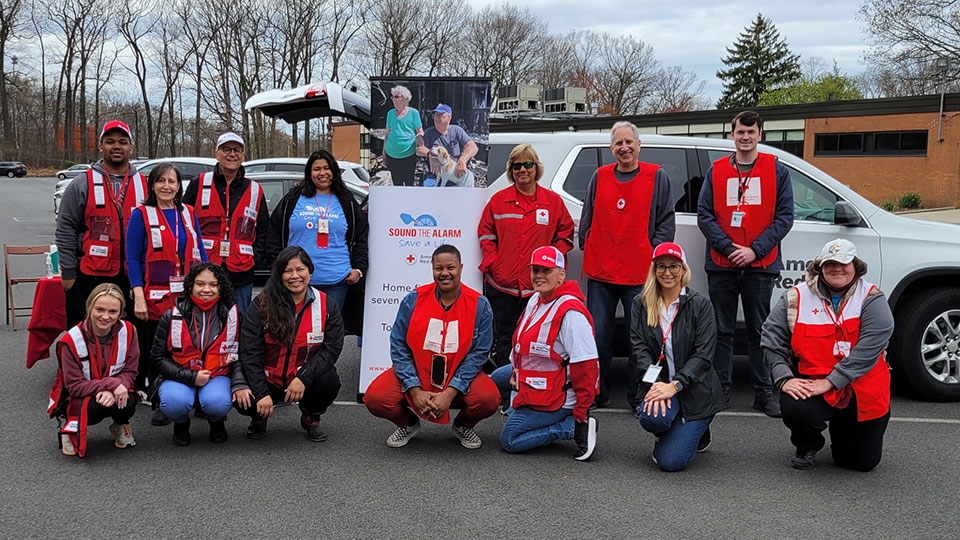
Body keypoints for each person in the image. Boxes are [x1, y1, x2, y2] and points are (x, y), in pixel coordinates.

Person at [762, 239, 894, 471]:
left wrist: (832, 381)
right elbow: (771, 339)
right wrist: (784, 378)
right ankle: (808, 443)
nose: (837, 268)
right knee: (795, 404)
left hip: (860, 389)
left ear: (856, 266)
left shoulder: (872, 298)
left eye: (844, 263)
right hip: (813, 384)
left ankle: (843, 429)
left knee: (860, 463)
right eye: (830, 263)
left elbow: (870, 348)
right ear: (820, 267)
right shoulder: (795, 297)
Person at [697, 110, 794, 418]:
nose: (746, 137)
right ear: (732, 134)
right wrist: (728, 249)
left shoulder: (777, 171)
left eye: (751, 132)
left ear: (760, 134)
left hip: (760, 264)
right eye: (740, 132)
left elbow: (784, 218)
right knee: (721, 331)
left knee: (760, 330)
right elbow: (704, 216)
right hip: (721, 264)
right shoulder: (716, 171)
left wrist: (754, 251)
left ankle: (764, 393)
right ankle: (721, 391)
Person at [579, 120, 675, 409]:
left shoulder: (657, 177)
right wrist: (587, 242)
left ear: (638, 145)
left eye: (629, 142)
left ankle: (638, 395)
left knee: (640, 340)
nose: (624, 147)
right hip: (601, 272)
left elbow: (666, 221)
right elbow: (587, 216)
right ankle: (598, 393)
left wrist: (653, 255)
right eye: (618, 143)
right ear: (611, 148)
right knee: (598, 337)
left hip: (639, 274)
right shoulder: (599, 176)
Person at [364, 244, 500, 449]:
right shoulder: (413, 300)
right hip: (418, 372)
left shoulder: (480, 305)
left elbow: (479, 354)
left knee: (489, 398)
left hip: (458, 374)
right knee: (375, 397)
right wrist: (414, 389)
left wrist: (451, 392)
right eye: (439, 268)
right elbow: (398, 345)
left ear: (461, 268)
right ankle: (408, 423)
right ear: (432, 269)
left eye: (451, 267)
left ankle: (463, 425)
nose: (445, 273)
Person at [478, 143, 574, 372]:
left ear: (536, 168)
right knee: (505, 340)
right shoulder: (498, 201)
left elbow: (566, 235)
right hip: (503, 287)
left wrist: (552, 264)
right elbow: (486, 234)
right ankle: (508, 385)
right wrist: (494, 262)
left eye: (528, 164)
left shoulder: (552, 202)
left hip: (538, 289)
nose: (523, 169)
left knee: (537, 339)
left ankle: (532, 384)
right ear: (511, 170)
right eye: (517, 165)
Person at [496, 246, 599, 460]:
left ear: (561, 274)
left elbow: (587, 369)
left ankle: (572, 427)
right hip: (534, 378)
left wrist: (581, 410)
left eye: (547, 270)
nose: (539, 276)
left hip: (557, 395)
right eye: (535, 270)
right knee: (496, 379)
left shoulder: (571, 314)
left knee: (510, 439)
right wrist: (515, 371)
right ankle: (520, 407)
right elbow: (521, 344)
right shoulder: (536, 299)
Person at [630, 242, 725, 471]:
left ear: (683, 270)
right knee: (651, 418)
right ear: (654, 270)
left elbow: (704, 355)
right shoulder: (641, 303)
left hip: (695, 390)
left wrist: (675, 385)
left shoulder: (700, 305)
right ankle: (669, 427)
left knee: (670, 462)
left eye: (674, 266)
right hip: (661, 383)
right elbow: (639, 348)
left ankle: (699, 428)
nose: (667, 272)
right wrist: (657, 385)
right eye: (661, 266)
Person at [237, 246, 344, 441]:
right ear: (279, 275)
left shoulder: (327, 304)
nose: (295, 276)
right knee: (241, 393)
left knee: (329, 381)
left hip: (301, 377)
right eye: (287, 271)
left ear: (310, 272)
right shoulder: (261, 304)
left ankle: (311, 416)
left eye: (300, 269)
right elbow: (249, 350)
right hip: (268, 377)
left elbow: (332, 349)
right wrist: (260, 393)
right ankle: (259, 416)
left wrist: (303, 378)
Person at [56, 120, 147, 328]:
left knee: (133, 334)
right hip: (91, 275)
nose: (116, 146)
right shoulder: (82, 183)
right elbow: (65, 228)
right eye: (110, 141)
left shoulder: (145, 184)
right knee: (87, 331)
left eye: (122, 142)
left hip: (133, 278)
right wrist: (68, 272)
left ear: (131, 148)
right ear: (100, 147)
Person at [126, 162, 206, 398]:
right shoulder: (141, 215)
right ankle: (154, 391)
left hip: (186, 295)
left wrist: (208, 285)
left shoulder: (188, 213)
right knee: (156, 346)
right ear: (152, 185)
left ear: (179, 186)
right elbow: (132, 259)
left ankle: (184, 387)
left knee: (184, 344)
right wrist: (138, 296)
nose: (166, 186)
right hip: (155, 297)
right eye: (161, 181)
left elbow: (200, 251)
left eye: (171, 181)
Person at [151, 263, 249, 446]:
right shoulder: (171, 315)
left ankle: (216, 421)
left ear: (221, 287)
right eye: (200, 284)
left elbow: (240, 354)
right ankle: (181, 423)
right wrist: (191, 377)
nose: (206, 289)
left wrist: (239, 383)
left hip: (217, 375)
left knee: (217, 402)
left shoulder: (233, 315)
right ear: (190, 286)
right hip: (179, 375)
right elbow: (157, 358)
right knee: (174, 401)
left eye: (213, 284)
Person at [266, 149, 368, 311]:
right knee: (295, 325)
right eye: (317, 169)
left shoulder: (346, 200)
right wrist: (278, 266)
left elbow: (361, 236)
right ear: (309, 173)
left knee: (330, 326)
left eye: (327, 168)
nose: (322, 173)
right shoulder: (293, 198)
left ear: (334, 171)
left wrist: (358, 268)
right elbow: (274, 233)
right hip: (297, 281)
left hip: (337, 281)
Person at [183, 132, 269, 315]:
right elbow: (184, 222)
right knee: (202, 320)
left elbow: (263, 229)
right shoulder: (198, 183)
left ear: (243, 156)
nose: (232, 154)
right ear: (217, 154)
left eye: (237, 150)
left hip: (241, 271)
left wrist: (256, 258)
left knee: (239, 321)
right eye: (226, 149)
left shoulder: (255, 189)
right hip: (204, 269)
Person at [50, 283, 139, 457]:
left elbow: (131, 371)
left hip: (115, 389)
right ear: (89, 307)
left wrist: (113, 388)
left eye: (113, 312)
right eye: (99, 309)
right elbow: (74, 386)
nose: (105, 316)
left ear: (120, 313)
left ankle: (120, 424)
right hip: (81, 395)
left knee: (127, 402)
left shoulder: (129, 331)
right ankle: (70, 428)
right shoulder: (70, 340)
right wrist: (110, 385)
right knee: (95, 408)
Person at [416, 103, 479, 187]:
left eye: (440, 115)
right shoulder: (429, 132)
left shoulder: (457, 130)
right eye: (436, 115)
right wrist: (430, 155)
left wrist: (462, 161)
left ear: (449, 117)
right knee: (428, 189)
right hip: (435, 174)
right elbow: (419, 150)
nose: (437, 117)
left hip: (455, 173)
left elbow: (473, 147)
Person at [382, 85, 424, 186]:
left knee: (409, 183)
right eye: (392, 97)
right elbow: (387, 134)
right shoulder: (390, 113)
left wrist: (419, 138)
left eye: (397, 97)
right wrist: (384, 153)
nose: (394, 99)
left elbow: (420, 131)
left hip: (408, 154)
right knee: (397, 184)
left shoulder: (414, 113)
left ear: (406, 99)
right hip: (392, 155)